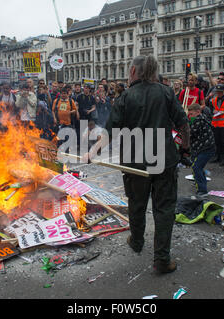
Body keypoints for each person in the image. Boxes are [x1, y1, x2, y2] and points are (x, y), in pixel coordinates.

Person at [85, 55, 191, 274]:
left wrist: (93, 150)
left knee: (136, 203)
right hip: (164, 160)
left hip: (134, 162)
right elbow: (183, 124)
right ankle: (162, 259)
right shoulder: (166, 92)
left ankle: (137, 241)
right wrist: (185, 149)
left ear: (133, 71)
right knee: (164, 209)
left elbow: (110, 131)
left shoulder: (125, 97)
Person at [187, 103, 216, 198]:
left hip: (205, 148)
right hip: (204, 147)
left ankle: (202, 190)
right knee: (198, 167)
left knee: (196, 167)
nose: (189, 116)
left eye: (191, 114)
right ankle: (200, 183)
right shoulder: (202, 118)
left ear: (198, 112)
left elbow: (190, 134)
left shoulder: (199, 120)